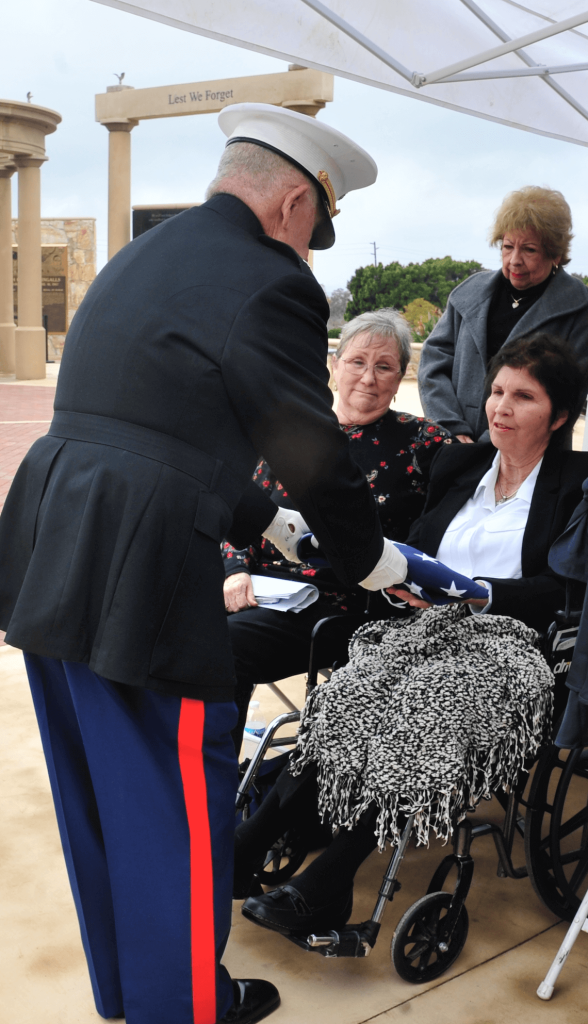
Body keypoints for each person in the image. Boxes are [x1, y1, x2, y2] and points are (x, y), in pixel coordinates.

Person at [0, 103, 409, 1024]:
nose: (312, 250)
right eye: (317, 226)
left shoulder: (145, 254)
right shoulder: (273, 281)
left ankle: (133, 992)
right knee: (177, 811)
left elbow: (159, 425)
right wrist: (368, 556)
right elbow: (310, 447)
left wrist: (270, 522)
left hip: (55, 546)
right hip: (142, 571)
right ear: (296, 202)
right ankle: (184, 1008)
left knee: (100, 799)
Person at [235, 332, 588, 941]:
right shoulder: (461, 464)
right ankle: (245, 847)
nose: (501, 407)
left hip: (517, 647)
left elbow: (565, 589)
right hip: (426, 627)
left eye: (523, 397)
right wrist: (404, 577)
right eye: (497, 391)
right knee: (348, 696)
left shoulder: (577, 482)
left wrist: (484, 594)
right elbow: (414, 543)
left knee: (423, 710)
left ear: (557, 416)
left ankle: (328, 885)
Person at [223, 307, 452, 752]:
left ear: (401, 375)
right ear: (335, 365)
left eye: (384, 366)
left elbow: (444, 527)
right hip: (261, 591)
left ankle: (215, 786)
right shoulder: (291, 434)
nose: (368, 377)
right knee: (173, 622)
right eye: (357, 362)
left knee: (220, 648)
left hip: (343, 606)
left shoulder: (426, 444)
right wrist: (234, 569)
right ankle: (186, 768)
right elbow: (240, 511)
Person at [418, 186, 588, 443]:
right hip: (455, 446)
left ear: (556, 254)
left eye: (529, 250)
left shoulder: (579, 308)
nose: (514, 260)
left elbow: (569, 395)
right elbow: (432, 363)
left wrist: (490, 444)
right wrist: (451, 428)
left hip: (531, 459)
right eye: (508, 247)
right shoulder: (468, 294)